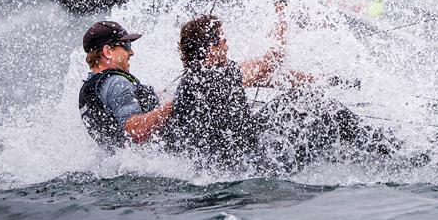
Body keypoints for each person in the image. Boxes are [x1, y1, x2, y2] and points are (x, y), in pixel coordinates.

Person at [167, 13, 404, 171]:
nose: (227, 44)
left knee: (303, 101)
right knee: (324, 110)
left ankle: (379, 152)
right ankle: (398, 155)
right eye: (223, 39)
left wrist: (329, 80)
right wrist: (281, 10)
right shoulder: (211, 77)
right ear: (211, 48)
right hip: (249, 165)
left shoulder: (202, 77)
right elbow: (271, 60)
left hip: (236, 155)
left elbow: (269, 76)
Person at [78, 21, 172, 150]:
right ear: (108, 51)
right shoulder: (117, 83)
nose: (131, 52)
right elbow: (135, 131)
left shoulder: (93, 85)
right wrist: (172, 106)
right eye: (126, 46)